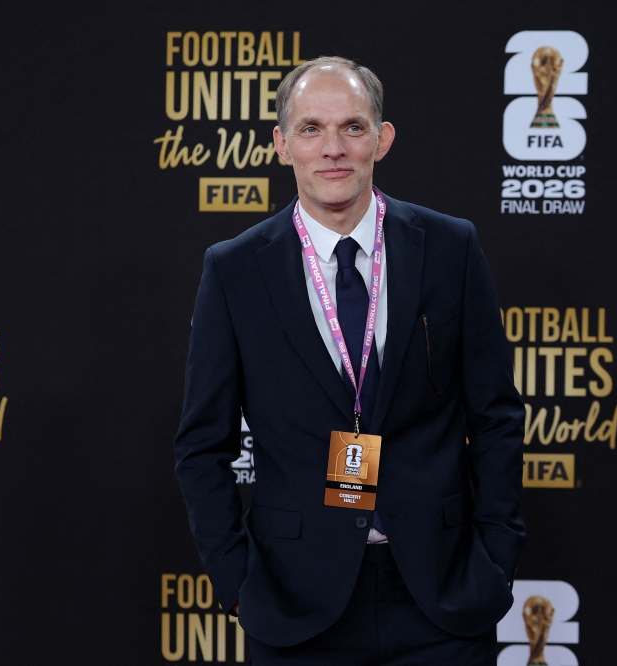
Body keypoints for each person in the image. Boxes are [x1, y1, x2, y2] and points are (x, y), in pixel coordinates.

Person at [174, 56, 526, 665]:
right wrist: (237, 584)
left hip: (442, 596)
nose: (333, 149)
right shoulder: (233, 270)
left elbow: (496, 415)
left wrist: (494, 558)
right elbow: (202, 445)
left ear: (382, 139)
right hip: (295, 604)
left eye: (353, 128)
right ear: (283, 145)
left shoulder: (450, 248)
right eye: (311, 129)